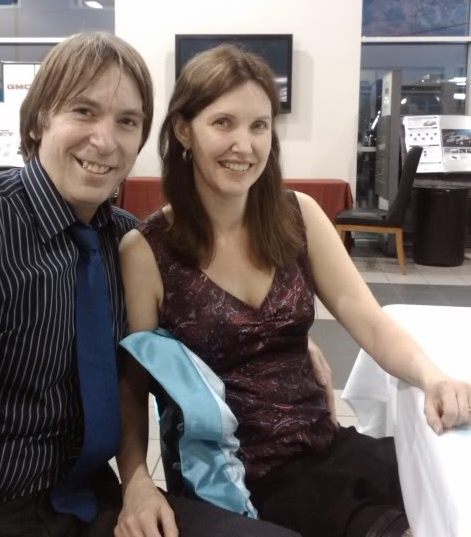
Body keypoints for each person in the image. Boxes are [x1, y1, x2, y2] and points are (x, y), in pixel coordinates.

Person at [119, 44, 471, 537]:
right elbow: (133, 387)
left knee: (443, 493)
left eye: (259, 125)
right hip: (237, 479)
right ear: (183, 130)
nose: (244, 145)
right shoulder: (146, 251)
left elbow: (368, 320)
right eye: (223, 123)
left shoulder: (297, 216)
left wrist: (433, 378)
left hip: (324, 445)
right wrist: (136, 479)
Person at [0, 32, 298, 537]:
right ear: (41, 116)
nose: (105, 141)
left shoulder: (131, 244)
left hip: (96, 499)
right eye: (84, 111)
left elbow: (192, 341)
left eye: (127, 121)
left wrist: (289, 343)